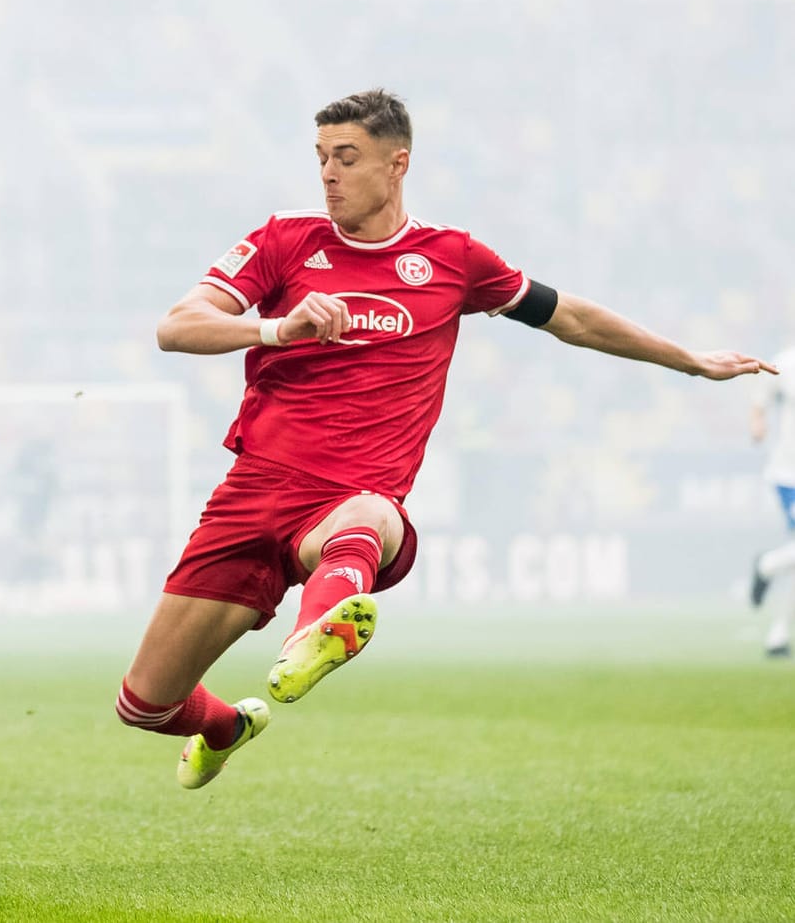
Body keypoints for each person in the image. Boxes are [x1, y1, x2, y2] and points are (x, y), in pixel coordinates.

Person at [114, 88, 776, 791]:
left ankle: (314, 634)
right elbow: (176, 326)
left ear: (397, 164)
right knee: (146, 701)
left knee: (370, 514)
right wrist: (279, 326)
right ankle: (227, 726)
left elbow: (570, 318)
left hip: (348, 503)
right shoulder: (284, 240)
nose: (328, 174)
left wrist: (691, 360)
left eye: (346, 157)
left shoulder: (453, 259)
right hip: (253, 492)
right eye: (320, 159)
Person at [748, 342, 795, 657]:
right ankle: (766, 566)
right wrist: (758, 421)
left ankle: (778, 636)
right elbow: (760, 394)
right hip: (790, 474)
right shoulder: (787, 362)